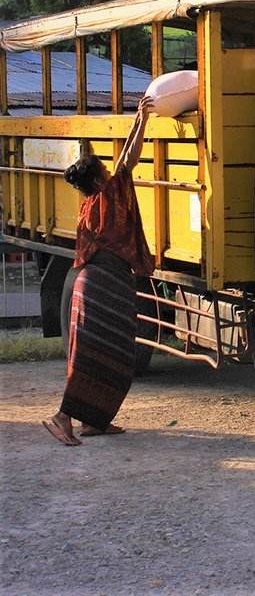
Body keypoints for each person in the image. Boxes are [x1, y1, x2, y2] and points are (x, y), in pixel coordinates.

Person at [42, 96, 155, 446]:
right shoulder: (107, 195)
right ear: (97, 178)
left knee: (115, 357)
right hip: (103, 285)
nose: (110, 171)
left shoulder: (89, 204)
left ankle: (94, 422)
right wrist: (141, 120)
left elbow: (122, 163)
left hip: (96, 283)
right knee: (95, 359)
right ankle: (63, 417)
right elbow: (129, 159)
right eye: (104, 170)